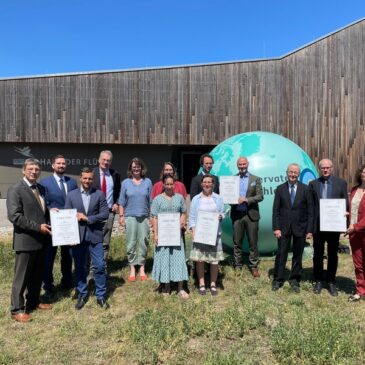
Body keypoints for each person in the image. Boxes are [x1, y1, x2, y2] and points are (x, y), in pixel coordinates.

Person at [7, 158, 52, 322]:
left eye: (37, 169)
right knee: (22, 277)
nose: (34, 171)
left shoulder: (41, 188)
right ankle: (17, 309)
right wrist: (37, 227)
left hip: (41, 241)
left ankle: (33, 301)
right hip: (25, 240)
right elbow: (15, 216)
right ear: (23, 170)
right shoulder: (15, 190)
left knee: (36, 275)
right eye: (31, 169)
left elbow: (42, 211)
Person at [64, 167, 109, 310]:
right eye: (85, 178)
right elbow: (66, 215)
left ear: (93, 179)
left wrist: (87, 218)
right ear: (80, 178)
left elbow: (105, 214)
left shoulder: (99, 194)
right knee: (79, 267)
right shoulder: (71, 195)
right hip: (77, 236)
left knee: (100, 266)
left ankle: (101, 296)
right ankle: (82, 293)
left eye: (90, 178)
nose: (87, 181)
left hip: (95, 235)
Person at [40, 155, 78, 296]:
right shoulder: (44, 183)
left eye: (63, 163)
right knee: (49, 257)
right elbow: (41, 202)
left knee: (67, 257)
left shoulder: (72, 182)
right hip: (52, 226)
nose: (61, 165)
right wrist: (49, 209)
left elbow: (76, 200)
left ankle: (67, 281)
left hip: (68, 227)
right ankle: (48, 285)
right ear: (52, 165)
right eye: (59, 163)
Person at [272, 163, 313, 292]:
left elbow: (310, 211)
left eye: (295, 172)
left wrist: (309, 230)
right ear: (287, 173)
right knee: (281, 253)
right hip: (283, 228)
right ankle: (278, 279)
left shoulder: (305, 189)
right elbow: (276, 210)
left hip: (300, 227)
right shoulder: (280, 189)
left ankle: (295, 279)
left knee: (298, 255)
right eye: (291, 172)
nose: (293, 175)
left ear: (299, 174)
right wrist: (276, 228)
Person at [309, 158, 348, 296]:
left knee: (332, 254)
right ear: (320, 169)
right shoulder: (313, 184)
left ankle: (331, 281)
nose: (325, 170)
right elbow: (311, 207)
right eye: (323, 168)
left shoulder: (341, 183)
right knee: (318, 254)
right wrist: (310, 228)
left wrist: (344, 219)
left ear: (332, 168)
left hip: (334, 226)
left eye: (328, 167)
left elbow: (345, 203)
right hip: (318, 227)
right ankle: (318, 280)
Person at [151, 174, 189, 298]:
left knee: (178, 259)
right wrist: (156, 234)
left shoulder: (179, 198)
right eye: (166, 184)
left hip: (176, 236)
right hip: (163, 236)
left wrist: (182, 222)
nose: (169, 186)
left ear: (174, 184)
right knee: (164, 259)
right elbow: (154, 217)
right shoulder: (157, 199)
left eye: (171, 184)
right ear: (163, 184)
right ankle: (166, 287)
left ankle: (180, 288)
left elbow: (183, 212)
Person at [189, 174, 225, 296]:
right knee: (200, 260)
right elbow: (192, 217)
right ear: (202, 184)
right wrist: (193, 232)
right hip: (200, 235)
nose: (207, 184)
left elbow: (223, 212)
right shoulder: (196, 199)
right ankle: (202, 284)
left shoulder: (219, 198)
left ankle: (213, 284)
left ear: (213, 184)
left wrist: (221, 216)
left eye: (209, 182)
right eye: (205, 182)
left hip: (214, 234)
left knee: (214, 261)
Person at [119, 157, 152, 281]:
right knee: (131, 242)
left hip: (144, 216)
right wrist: (121, 216)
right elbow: (121, 201)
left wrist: (152, 217)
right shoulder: (125, 183)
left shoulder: (148, 182)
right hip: (130, 216)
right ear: (130, 169)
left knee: (144, 241)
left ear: (142, 168)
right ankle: (133, 267)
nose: (136, 169)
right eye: (134, 167)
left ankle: (142, 267)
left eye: (138, 167)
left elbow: (151, 201)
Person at [230, 157, 263, 277]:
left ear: (248, 164)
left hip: (251, 215)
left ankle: (253, 266)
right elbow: (228, 197)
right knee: (237, 242)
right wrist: (231, 200)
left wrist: (247, 199)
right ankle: (238, 265)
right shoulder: (232, 179)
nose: (242, 166)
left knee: (253, 242)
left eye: (244, 164)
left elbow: (260, 196)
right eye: (240, 164)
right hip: (237, 215)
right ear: (237, 165)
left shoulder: (255, 179)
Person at [91, 150, 121, 270]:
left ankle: (102, 267)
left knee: (105, 241)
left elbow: (118, 191)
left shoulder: (115, 174)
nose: (105, 162)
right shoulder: (92, 173)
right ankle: (92, 268)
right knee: (93, 240)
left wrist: (117, 203)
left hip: (108, 212)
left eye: (108, 160)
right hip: (94, 213)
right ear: (99, 160)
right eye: (103, 159)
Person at [346, 164, 365, 302]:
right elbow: (352, 209)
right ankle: (360, 290)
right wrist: (346, 215)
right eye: (364, 172)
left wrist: (356, 226)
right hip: (354, 234)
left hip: (361, 230)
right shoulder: (354, 190)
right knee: (358, 263)